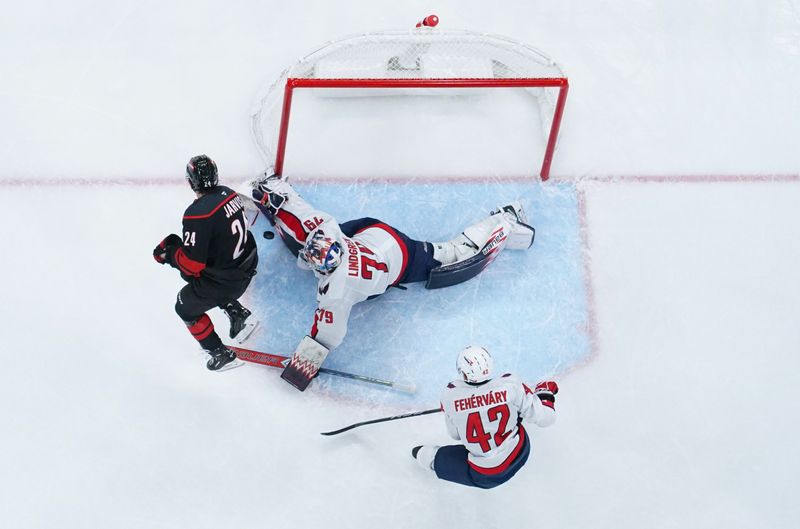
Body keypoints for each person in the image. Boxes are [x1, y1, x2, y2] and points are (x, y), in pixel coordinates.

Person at [248, 173, 536, 390]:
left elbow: (327, 333)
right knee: (304, 232)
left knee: (450, 255)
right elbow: (302, 214)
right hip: (371, 232)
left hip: (401, 257)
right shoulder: (328, 232)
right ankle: (271, 190)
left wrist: (303, 366)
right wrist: (276, 191)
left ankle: (505, 221)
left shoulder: (336, 292)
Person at [153, 155, 259, 371]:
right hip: (246, 265)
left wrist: (170, 254)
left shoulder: (197, 214)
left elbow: (193, 264)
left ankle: (220, 354)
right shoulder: (228, 193)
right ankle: (236, 311)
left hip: (228, 282)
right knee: (194, 275)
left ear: (191, 182)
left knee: (184, 307)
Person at [411, 346, 558, 489]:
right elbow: (547, 418)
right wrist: (544, 394)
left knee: (426, 455)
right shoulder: (510, 385)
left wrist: (455, 411)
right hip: (520, 452)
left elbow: (455, 435)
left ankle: (425, 457)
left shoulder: (450, 396)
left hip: (485, 475)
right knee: (516, 405)